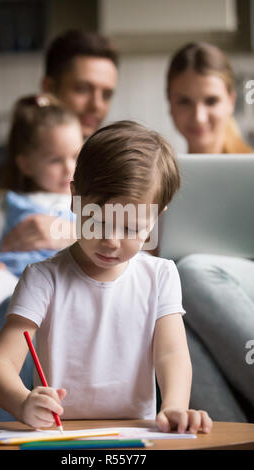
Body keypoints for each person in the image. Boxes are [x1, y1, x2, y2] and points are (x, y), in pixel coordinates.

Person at [0, 121, 213, 434]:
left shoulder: (161, 275)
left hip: (138, 433)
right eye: (98, 221)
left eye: (132, 228)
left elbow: (171, 353)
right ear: (74, 198)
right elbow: (1, 363)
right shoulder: (43, 278)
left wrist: (174, 405)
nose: (112, 242)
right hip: (61, 435)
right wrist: (23, 402)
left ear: (158, 216)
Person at [0, 29, 118, 423]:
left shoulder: (99, 173)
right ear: (49, 86)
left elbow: (130, 239)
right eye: (83, 89)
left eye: (106, 93)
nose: (96, 104)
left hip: (55, 277)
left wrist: (65, 235)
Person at [0, 93, 83, 413]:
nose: (68, 168)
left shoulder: (84, 206)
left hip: (53, 281)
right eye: (55, 160)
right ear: (26, 163)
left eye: (76, 157)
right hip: (8, 277)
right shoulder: (7, 201)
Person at [166, 42, 254, 421]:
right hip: (191, 305)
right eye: (184, 101)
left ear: (232, 99)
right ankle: (232, 439)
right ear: (169, 104)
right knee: (164, 315)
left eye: (211, 100)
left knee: (193, 270)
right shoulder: (155, 179)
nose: (198, 115)